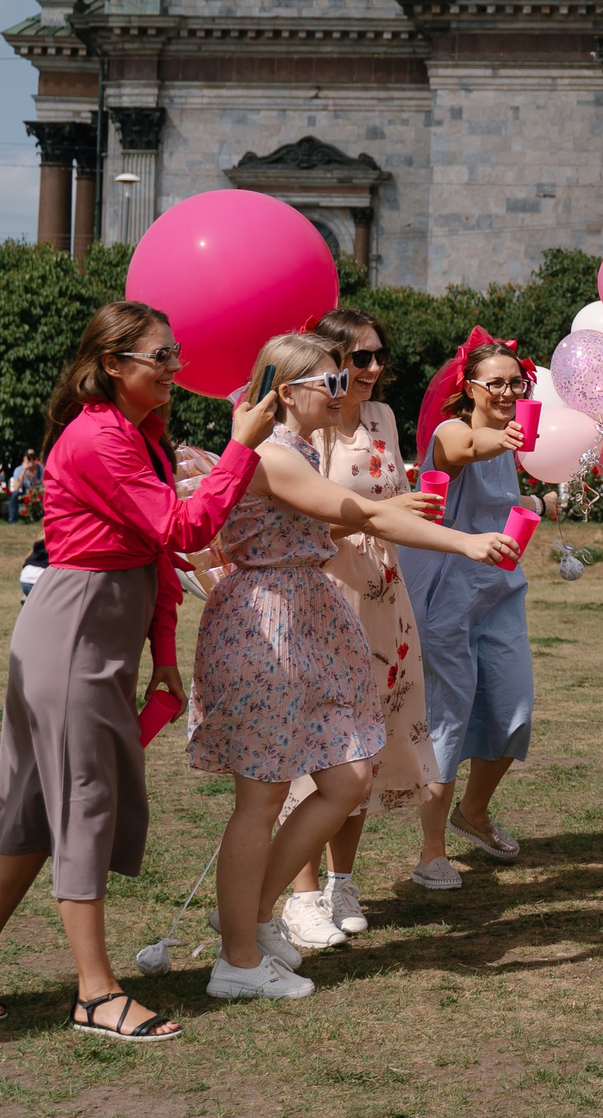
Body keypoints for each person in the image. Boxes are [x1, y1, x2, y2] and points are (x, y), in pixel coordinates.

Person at [0, 302, 275, 1045]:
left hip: (100, 628)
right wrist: (240, 448)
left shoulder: (139, 434)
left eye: (175, 353)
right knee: (86, 798)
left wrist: (162, 648)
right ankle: (95, 992)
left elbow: (156, 554)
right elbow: (185, 529)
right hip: (75, 630)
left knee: (39, 808)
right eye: (160, 356)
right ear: (113, 364)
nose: (174, 368)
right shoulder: (98, 437)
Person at [192, 333, 511, 998]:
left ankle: (250, 918)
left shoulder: (300, 448)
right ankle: (238, 958)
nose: (345, 391)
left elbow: (341, 518)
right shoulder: (273, 453)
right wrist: (464, 540)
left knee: (348, 775)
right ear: (288, 392)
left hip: (305, 611)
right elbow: (363, 511)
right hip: (266, 622)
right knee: (262, 797)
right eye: (332, 382)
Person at [277, 308, 445, 945]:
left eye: (380, 356)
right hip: (324, 596)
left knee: (365, 747)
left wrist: (407, 516)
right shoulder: (306, 431)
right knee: (316, 744)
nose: (374, 369)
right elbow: (302, 524)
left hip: (383, 596)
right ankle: (298, 894)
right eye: (361, 358)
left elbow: (393, 502)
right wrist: (381, 512)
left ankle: (340, 879)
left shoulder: (383, 419)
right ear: (331, 365)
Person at [401, 332, 562, 887]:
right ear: (468, 387)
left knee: (514, 710)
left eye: (515, 383)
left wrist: (536, 503)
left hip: (499, 591)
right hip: (445, 595)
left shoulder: (511, 446)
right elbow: (463, 451)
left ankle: (473, 812)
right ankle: (431, 853)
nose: (506, 391)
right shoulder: (453, 430)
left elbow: (502, 503)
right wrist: (507, 437)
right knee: (449, 718)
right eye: (494, 382)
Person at [4, 449, 44, 524]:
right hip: (24, 493)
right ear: (24, 459)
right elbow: (16, 487)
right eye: (29, 458)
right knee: (14, 495)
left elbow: (44, 483)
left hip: (37, 492)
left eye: (34, 458)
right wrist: (23, 471)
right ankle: (12, 521)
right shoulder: (19, 469)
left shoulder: (40, 469)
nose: (31, 460)